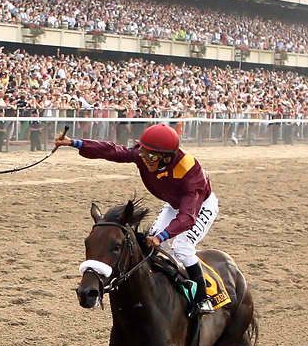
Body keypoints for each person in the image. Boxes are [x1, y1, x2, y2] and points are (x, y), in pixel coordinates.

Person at [57, 123, 217, 314]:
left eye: (151, 156)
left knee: (181, 248)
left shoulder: (191, 174)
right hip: (174, 205)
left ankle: (202, 299)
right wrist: (75, 143)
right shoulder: (145, 154)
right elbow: (113, 151)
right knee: (151, 246)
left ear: (167, 157)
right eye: (143, 153)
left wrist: (162, 236)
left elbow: (187, 217)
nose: (145, 159)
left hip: (199, 207)